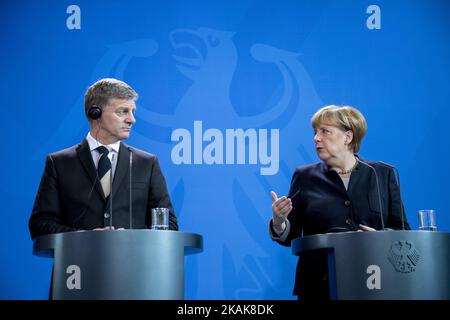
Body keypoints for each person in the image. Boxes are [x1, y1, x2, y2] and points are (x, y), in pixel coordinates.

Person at [269, 105, 410, 300]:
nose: (316, 138)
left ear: (348, 137)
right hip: (319, 286)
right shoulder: (304, 176)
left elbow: (403, 232)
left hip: (375, 282)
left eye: (325, 131)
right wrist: (279, 222)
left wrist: (380, 238)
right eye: (315, 132)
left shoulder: (381, 174)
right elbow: (289, 235)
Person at [29, 78, 178, 239]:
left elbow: (169, 226)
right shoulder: (59, 163)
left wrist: (132, 238)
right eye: (122, 111)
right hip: (76, 263)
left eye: (132, 111)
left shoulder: (147, 163)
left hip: (132, 263)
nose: (132, 119)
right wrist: (85, 237)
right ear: (95, 113)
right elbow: (40, 224)